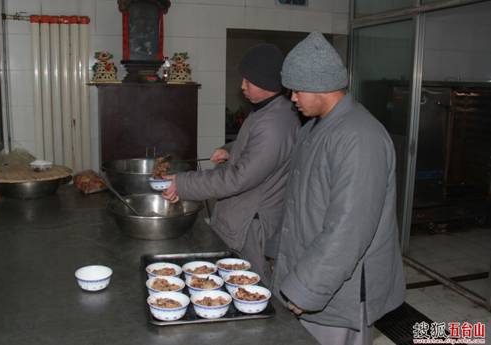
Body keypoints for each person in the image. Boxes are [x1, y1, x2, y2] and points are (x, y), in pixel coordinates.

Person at [271, 32, 405, 345]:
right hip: (309, 268)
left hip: (337, 289)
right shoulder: (314, 129)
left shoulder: (359, 137)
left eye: (297, 89)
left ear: (322, 85)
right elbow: (299, 203)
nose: (292, 98)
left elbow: (349, 229)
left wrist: (308, 288)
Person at [162, 44, 300, 283]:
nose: (242, 86)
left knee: (249, 286)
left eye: (248, 80)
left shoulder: (275, 124)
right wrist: (229, 149)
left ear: (266, 82)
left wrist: (183, 184)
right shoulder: (269, 110)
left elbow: (238, 178)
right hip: (242, 216)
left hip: (251, 226)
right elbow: (255, 147)